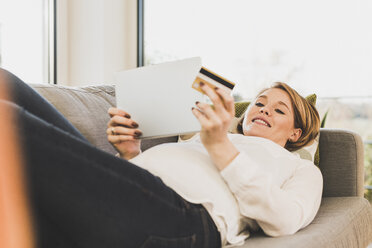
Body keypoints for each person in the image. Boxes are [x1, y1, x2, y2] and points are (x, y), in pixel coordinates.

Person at [0, 68, 322, 248]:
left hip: (184, 219)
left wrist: (221, 147)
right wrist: (130, 155)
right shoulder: (211, 135)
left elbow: (284, 220)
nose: (264, 109)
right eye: (260, 103)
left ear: (295, 133)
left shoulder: (298, 167)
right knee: (6, 84)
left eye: (279, 110)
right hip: (138, 192)